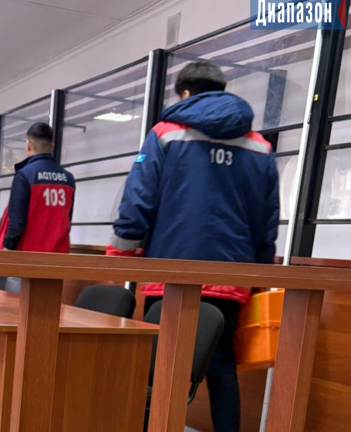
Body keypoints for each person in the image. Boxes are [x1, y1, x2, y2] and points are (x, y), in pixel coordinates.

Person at [106, 61, 280, 432]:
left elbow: (138, 198)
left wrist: (119, 255)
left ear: (185, 93)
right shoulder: (260, 145)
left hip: (171, 270)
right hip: (232, 274)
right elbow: (268, 219)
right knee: (221, 366)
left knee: (159, 364)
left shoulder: (165, 133)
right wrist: (259, 273)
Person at [0, 122, 75, 253]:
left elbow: (17, 220)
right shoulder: (68, 179)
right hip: (58, 255)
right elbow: (67, 220)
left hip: (28, 255)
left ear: (29, 145)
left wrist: (8, 247)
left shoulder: (25, 175)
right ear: (52, 146)